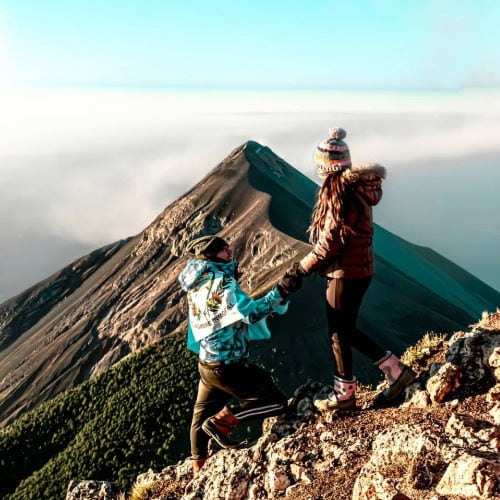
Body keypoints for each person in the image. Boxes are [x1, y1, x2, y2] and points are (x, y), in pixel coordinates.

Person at [282, 127, 415, 411]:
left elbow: (328, 244)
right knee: (346, 329)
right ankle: (394, 370)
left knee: (338, 334)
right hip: (361, 270)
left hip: (345, 273)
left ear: (325, 167)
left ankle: (345, 395)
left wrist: (299, 270)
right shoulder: (357, 189)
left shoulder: (340, 196)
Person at [178, 235, 301, 472]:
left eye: (226, 245)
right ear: (210, 255)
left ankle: (198, 468)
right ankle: (223, 422)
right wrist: (282, 291)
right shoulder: (223, 282)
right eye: (221, 248)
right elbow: (251, 314)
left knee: (199, 415)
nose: (229, 249)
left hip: (207, 362)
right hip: (228, 366)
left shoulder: (198, 282)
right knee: (277, 403)